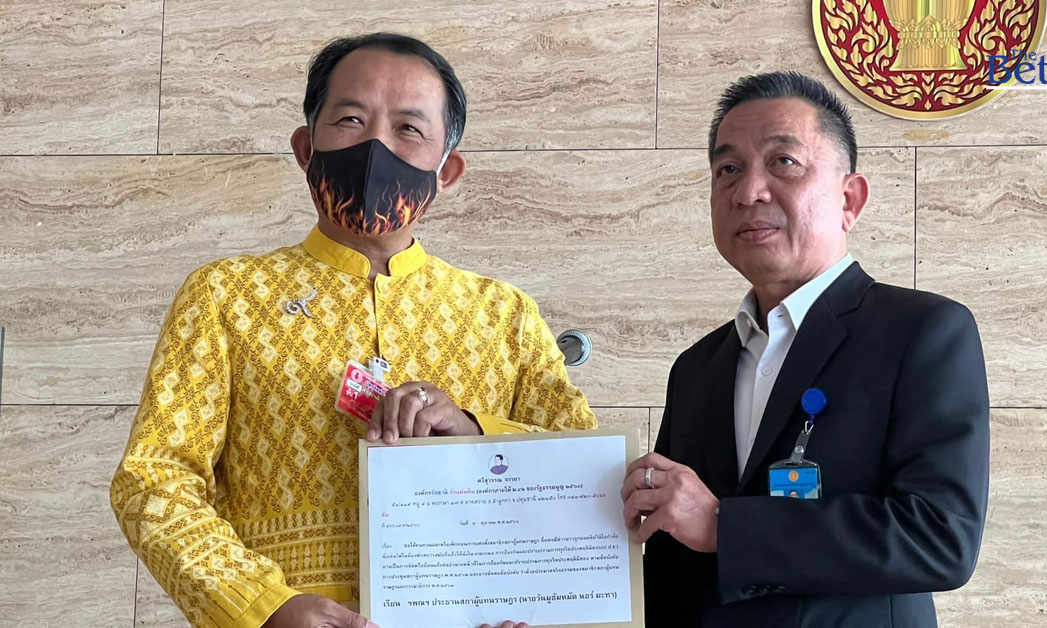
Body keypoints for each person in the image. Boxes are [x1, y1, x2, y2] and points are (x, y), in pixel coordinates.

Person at [111, 32, 593, 628]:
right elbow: (154, 479)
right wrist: (264, 606)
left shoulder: (504, 314)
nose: (375, 147)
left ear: (447, 171)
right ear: (305, 148)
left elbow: (581, 477)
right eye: (350, 120)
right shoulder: (225, 296)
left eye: (408, 128)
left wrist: (473, 430)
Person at [621, 71, 989, 627]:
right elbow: (678, 558)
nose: (748, 191)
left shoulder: (923, 332)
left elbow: (940, 537)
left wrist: (724, 525)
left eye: (783, 162)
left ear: (849, 199)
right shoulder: (697, 367)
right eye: (728, 170)